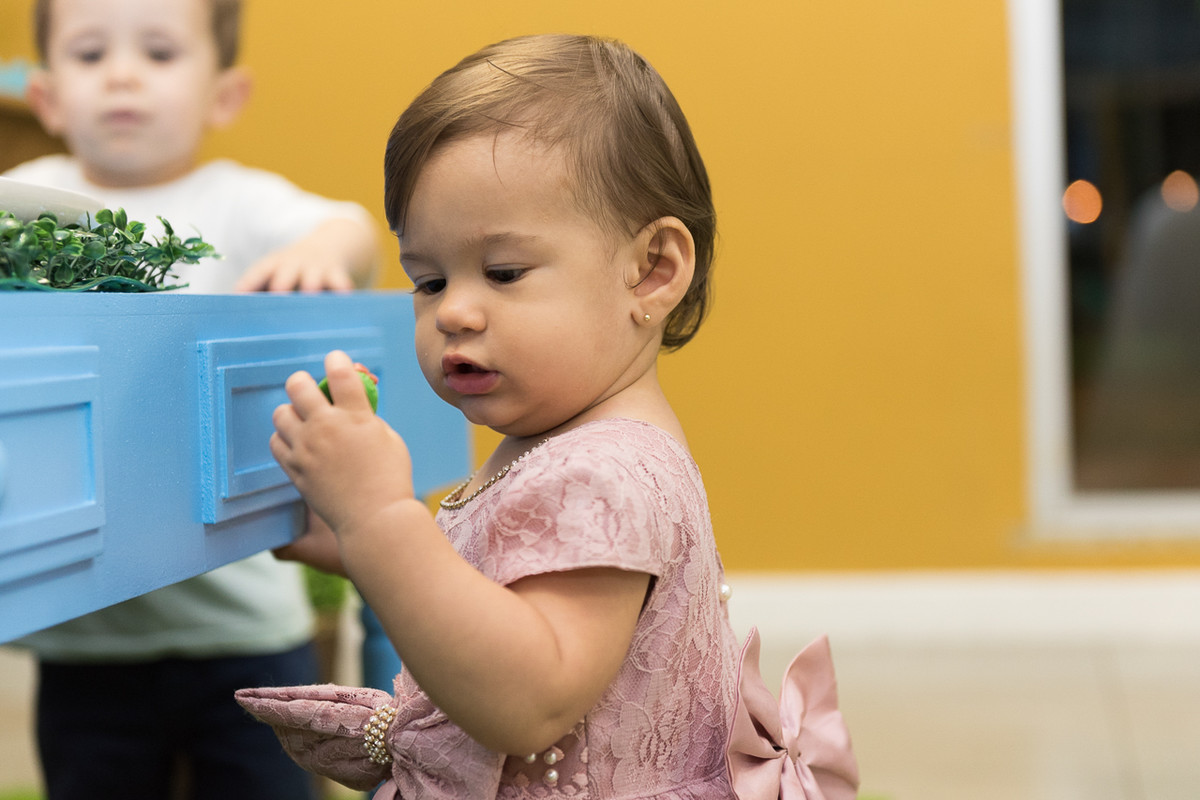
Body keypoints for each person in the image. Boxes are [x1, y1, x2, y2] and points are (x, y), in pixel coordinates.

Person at [236, 34, 859, 798]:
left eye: (503, 272)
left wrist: (378, 520)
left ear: (653, 271)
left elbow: (526, 699)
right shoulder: (574, 445)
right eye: (428, 280)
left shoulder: (604, 472)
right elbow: (503, 596)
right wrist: (356, 544)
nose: (456, 310)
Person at [3, 0, 378, 797]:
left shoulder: (238, 203)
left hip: (242, 624)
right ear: (48, 97)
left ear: (224, 95)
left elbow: (351, 227)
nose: (124, 72)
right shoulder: (29, 199)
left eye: (162, 51)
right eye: (91, 51)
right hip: (85, 637)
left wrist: (317, 252)